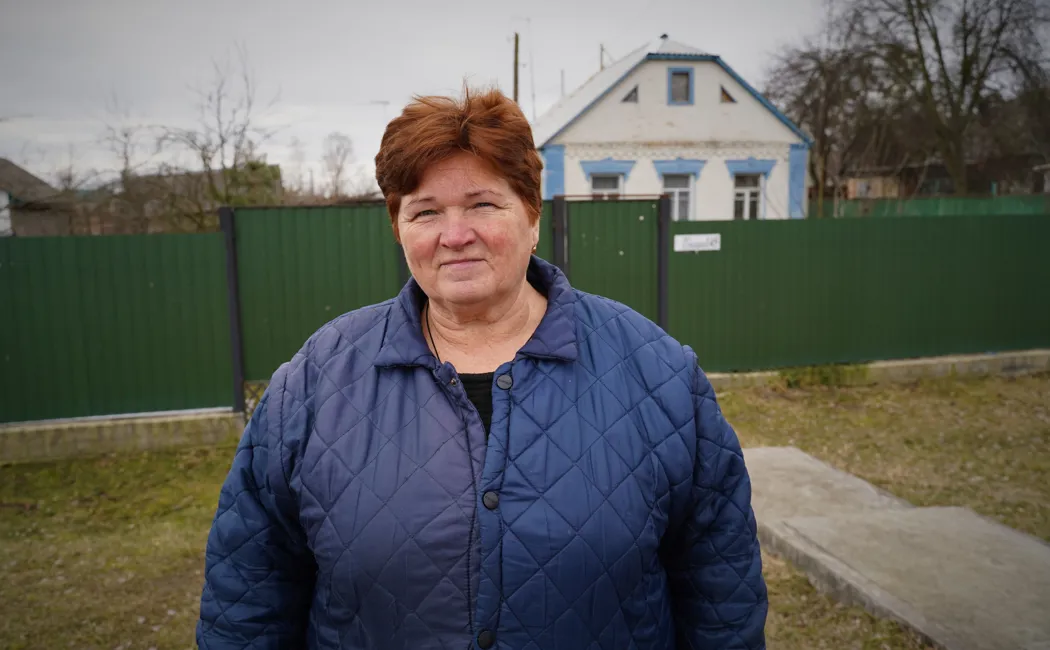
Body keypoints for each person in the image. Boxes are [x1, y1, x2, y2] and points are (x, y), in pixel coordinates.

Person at [197, 87, 767, 650]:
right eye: (425, 212)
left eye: (482, 204)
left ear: (532, 214)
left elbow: (721, 592)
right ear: (399, 228)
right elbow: (248, 597)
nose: (455, 235)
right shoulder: (313, 383)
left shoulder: (659, 375)